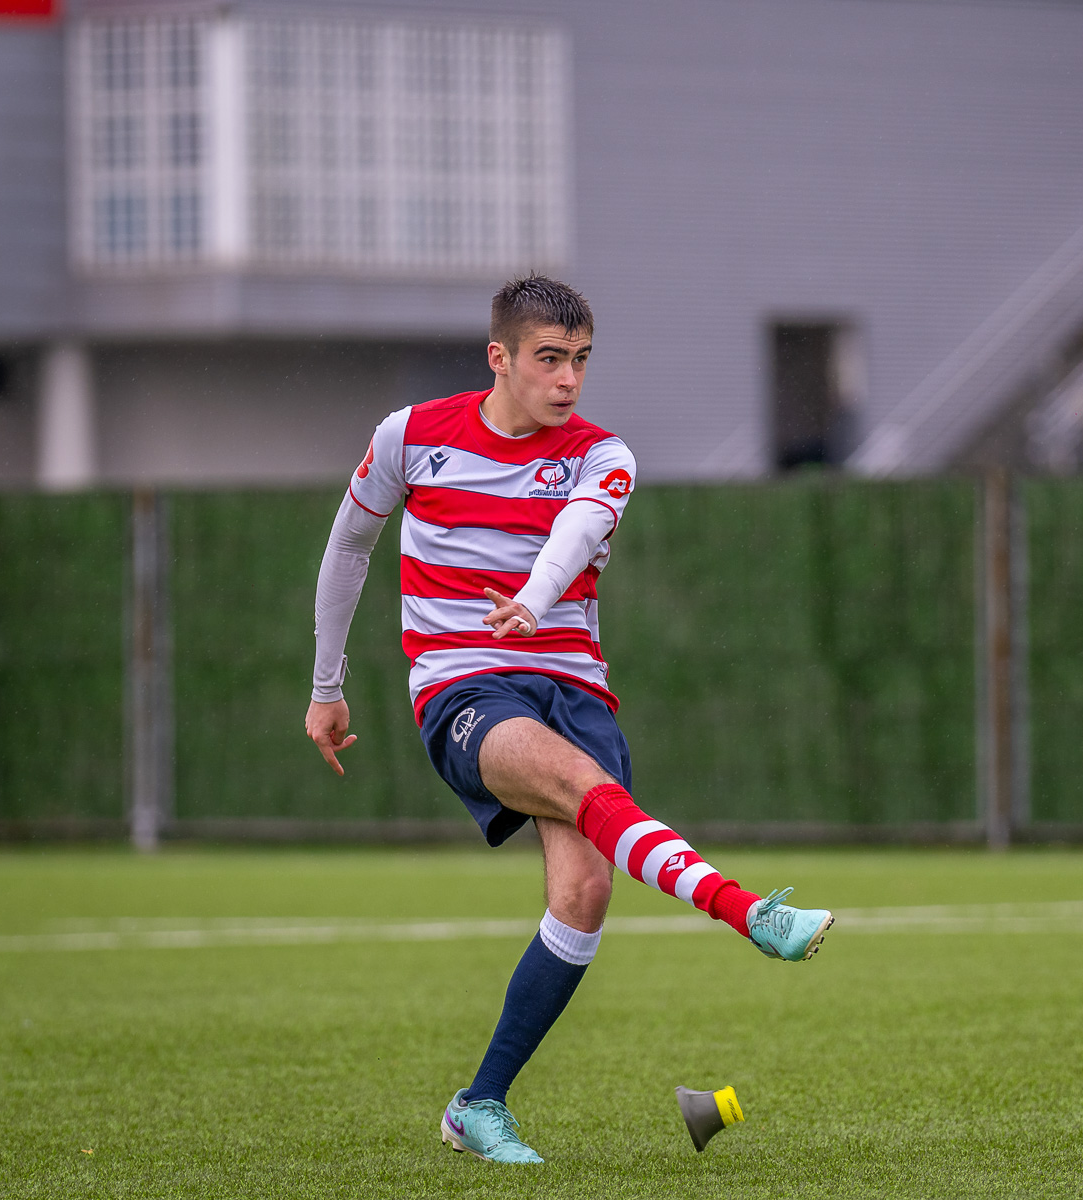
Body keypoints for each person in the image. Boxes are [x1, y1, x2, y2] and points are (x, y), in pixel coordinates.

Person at [304, 274, 833, 1165]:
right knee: (580, 784)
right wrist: (328, 684)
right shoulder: (410, 436)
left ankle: (478, 1106)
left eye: (581, 360)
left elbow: (576, 534)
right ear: (499, 358)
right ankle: (746, 912)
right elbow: (349, 546)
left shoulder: (603, 454)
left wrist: (533, 600)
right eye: (549, 359)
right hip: (465, 689)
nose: (568, 380)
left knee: (585, 893)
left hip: (574, 689)